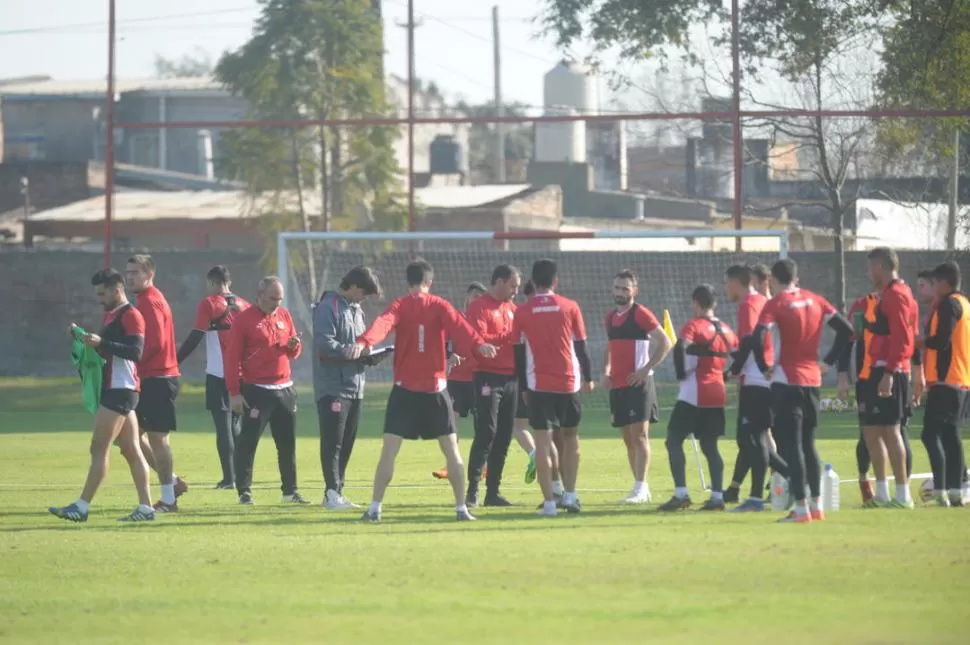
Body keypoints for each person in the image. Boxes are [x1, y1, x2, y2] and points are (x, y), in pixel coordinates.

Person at [348, 259, 497, 522]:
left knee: (389, 452)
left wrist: (363, 341)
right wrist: (480, 345)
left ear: (409, 281)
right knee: (452, 451)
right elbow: (461, 329)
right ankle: (461, 508)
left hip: (404, 391)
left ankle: (374, 508)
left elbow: (382, 323)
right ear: (430, 281)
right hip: (434, 390)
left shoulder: (400, 304)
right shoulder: (440, 305)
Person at [49, 269, 156, 522]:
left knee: (99, 447)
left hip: (121, 389)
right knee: (130, 449)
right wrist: (82, 337)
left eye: (102, 293)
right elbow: (104, 348)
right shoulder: (112, 315)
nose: (99, 299)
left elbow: (136, 352)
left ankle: (82, 506)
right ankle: (146, 508)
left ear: (116, 290)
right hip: (119, 388)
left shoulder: (131, 315)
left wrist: (101, 343)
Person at [752, 259, 852, 523]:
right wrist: (827, 362)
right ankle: (816, 506)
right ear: (797, 277)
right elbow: (847, 330)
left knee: (790, 445)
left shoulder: (776, 304)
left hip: (787, 381)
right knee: (809, 444)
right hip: (812, 381)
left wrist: (764, 366)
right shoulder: (816, 300)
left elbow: (758, 335)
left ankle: (799, 508)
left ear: (773, 279)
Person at [513, 259, 594, 517]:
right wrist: (589, 377)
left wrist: (524, 386)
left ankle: (549, 503)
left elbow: (517, 352)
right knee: (571, 438)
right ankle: (570, 496)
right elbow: (581, 346)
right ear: (555, 281)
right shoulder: (570, 307)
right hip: (568, 382)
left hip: (538, 385)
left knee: (544, 443)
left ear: (533, 282)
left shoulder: (522, 312)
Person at [225, 276, 309, 506]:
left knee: (287, 444)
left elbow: (293, 352)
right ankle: (244, 491)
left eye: (280, 299)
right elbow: (232, 359)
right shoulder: (244, 320)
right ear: (259, 295)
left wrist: (294, 346)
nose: (277, 303)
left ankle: (290, 492)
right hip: (257, 390)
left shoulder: (284, 315)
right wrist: (234, 392)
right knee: (248, 442)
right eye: (273, 298)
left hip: (285, 388)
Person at [658, 285, 738, 512]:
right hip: (717, 392)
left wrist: (681, 373)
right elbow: (741, 354)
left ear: (696, 303)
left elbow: (679, 347)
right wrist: (727, 375)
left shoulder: (694, 325)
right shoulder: (725, 328)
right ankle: (716, 497)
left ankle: (681, 494)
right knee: (710, 446)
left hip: (694, 392)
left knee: (673, 440)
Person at [313, 266, 384, 510]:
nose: (363, 298)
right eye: (363, 292)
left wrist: (368, 356)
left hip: (356, 386)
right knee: (332, 442)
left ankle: (336, 492)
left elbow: (359, 344)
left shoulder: (357, 310)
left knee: (347, 442)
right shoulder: (328, 306)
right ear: (353, 286)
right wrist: (352, 352)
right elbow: (324, 344)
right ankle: (332, 492)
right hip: (333, 386)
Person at [177, 265, 250, 490]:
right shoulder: (245, 305)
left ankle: (229, 479)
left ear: (211, 282)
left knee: (223, 427)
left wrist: (174, 360)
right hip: (244, 375)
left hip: (219, 373)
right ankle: (241, 476)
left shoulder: (209, 304)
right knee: (237, 426)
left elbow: (195, 336)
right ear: (230, 281)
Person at [602, 269, 672, 504]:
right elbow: (609, 347)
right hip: (618, 386)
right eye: (617, 287)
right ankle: (640, 488)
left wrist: (645, 370)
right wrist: (605, 371)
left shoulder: (641, 314)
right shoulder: (610, 318)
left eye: (625, 288)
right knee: (628, 440)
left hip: (638, 385)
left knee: (640, 437)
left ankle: (640, 488)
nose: (620, 292)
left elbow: (665, 342)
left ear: (634, 291)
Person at [839, 288, 915, 503]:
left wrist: (917, 372)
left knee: (897, 430)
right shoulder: (863, 303)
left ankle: (903, 493)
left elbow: (908, 337)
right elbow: (847, 337)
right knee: (868, 431)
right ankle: (873, 488)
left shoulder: (902, 300)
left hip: (896, 372)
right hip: (867, 377)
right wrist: (843, 372)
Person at [724, 265, 789, 512]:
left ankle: (787, 480)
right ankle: (754, 491)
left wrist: (734, 369)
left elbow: (752, 340)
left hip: (758, 380)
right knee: (753, 438)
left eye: (726, 283)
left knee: (752, 438)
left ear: (737, 282)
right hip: (762, 378)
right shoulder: (761, 301)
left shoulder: (749, 304)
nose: (725, 289)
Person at [125, 254, 186, 513]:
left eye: (136, 272)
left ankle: (168, 499)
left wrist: (131, 358)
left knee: (158, 439)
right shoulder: (147, 299)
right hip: (153, 377)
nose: (130, 277)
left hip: (158, 378)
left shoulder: (149, 302)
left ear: (150, 275)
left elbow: (156, 343)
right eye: (128, 272)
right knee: (130, 437)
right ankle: (171, 483)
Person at [860, 247, 919, 509]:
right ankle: (882, 493)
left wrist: (890, 372)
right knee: (872, 430)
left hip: (890, 371)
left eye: (871, 267)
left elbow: (904, 339)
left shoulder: (897, 296)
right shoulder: (886, 295)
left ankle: (903, 494)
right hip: (877, 368)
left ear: (882, 267)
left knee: (891, 431)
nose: (868, 272)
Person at [465, 265, 523, 507]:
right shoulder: (479, 306)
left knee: (504, 435)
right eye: (513, 286)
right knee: (486, 432)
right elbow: (477, 338)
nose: (515, 292)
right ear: (499, 281)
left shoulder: (514, 310)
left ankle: (493, 492)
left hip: (511, 379)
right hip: (487, 377)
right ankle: (472, 491)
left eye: (517, 288)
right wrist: (508, 338)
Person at [917, 262, 970, 507]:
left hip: (946, 379)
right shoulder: (964, 304)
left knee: (930, 434)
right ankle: (957, 490)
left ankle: (941, 490)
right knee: (950, 435)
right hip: (960, 379)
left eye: (934, 283)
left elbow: (941, 340)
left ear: (943, 283)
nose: (933, 288)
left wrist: (922, 341)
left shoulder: (949, 304)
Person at [432, 282, 487, 480]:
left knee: (482, 424)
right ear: (467, 297)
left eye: (480, 297)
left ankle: (483, 466)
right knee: (451, 421)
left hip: (479, 377)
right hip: (456, 378)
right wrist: (450, 355)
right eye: (474, 296)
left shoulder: (485, 319)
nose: (476, 300)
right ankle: (450, 464)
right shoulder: (456, 318)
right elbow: (444, 342)